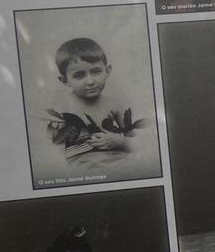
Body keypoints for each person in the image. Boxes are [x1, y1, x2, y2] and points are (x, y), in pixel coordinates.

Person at [36, 36, 149, 178]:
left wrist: (121, 141)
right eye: (79, 75)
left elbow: (139, 143)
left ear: (107, 71)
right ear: (65, 81)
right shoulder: (61, 111)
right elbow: (53, 151)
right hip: (86, 173)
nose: (90, 81)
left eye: (96, 72)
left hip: (122, 165)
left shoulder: (115, 105)